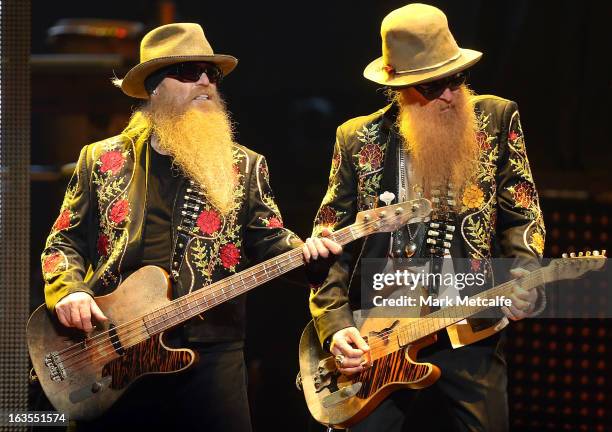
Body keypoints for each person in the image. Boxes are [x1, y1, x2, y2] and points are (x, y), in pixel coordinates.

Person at [40, 23, 340, 430]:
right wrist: (69, 290)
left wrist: (311, 257)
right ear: (154, 87)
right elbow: (63, 242)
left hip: (212, 355)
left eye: (211, 74)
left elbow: (270, 239)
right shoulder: (100, 159)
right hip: (111, 353)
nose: (205, 82)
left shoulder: (245, 165)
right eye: (188, 72)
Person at [308, 4, 546, 431]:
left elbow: (522, 212)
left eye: (456, 78)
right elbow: (330, 242)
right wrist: (334, 324)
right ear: (401, 87)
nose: (451, 94)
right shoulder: (358, 138)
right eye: (434, 86)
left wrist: (525, 271)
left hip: (472, 329)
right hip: (380, 337)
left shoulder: (495, 119)